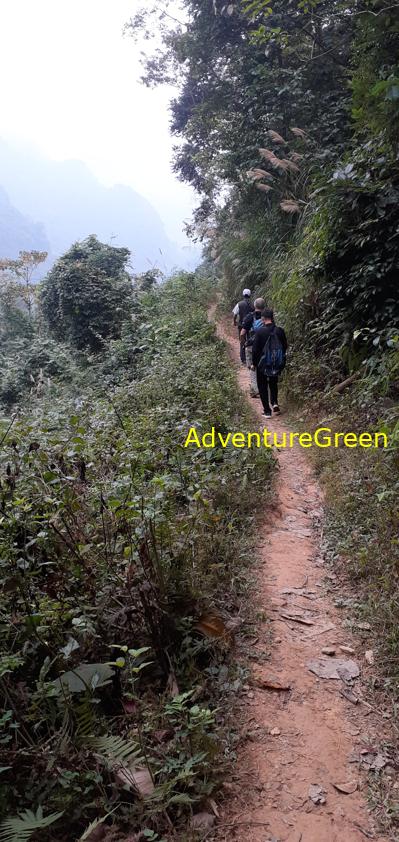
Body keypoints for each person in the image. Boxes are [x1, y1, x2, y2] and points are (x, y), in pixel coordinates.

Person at [251, 308, 288, 418]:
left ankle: (267, 411)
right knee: (273, 382)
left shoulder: (260, 332)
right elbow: (284, 346)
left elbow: (255, 350)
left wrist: (254, 363)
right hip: (275, 363)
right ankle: (275, 402)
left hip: (262, 364)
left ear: (263, 318)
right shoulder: (279, 331)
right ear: (272, 317)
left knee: (262, 386)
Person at [240, 297, 266, 397]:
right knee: (262, 367)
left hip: (251, 346)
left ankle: (255, 390)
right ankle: (263, 388)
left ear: (254, 305)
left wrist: (244, 343)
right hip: (263, 347)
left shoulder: (249, 317)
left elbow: (242, 333)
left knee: (252, 368)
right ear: (264, 306)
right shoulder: (267, 317)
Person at [232, 289, 254, 364]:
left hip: (241, 326)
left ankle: (243, 359)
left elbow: (235, 314)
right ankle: (251, 359)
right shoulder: (252, 304)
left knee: (242, 341)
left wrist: (234, 322)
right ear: (250, 295)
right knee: (251, 341)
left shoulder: (239, 304)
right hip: (251, 326)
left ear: (243, 295)